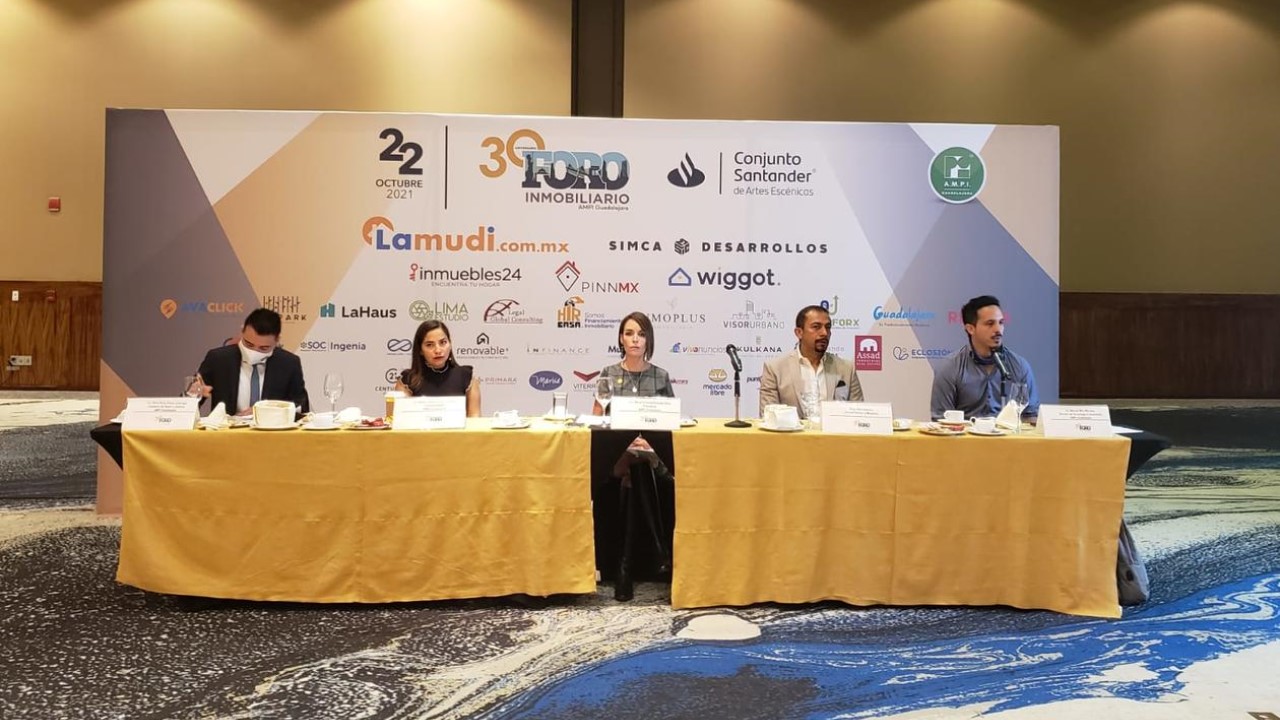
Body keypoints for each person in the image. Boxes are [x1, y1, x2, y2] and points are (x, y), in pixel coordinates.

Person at [591, 311, 675, 601]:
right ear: (620, 339)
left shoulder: (660, 376)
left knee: (640, 464)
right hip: (618, 454)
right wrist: (627, 441)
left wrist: (646, 443)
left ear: (648, 339)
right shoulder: (608, 374)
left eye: (641, 334)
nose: (635, 339)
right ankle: (658, 555)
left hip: (650, 453)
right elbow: (598, 422)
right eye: (629, 333)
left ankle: (624, 568)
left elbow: (668, 425)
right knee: (631, 461)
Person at [930, 294, 1040, 421]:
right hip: (965, 433)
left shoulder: (1019, 366)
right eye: (990, 324)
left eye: (1001, 323)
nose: (998, 329)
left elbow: (1030, 416)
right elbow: (941, 420)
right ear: (970, 329)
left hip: (1008, 433)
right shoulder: (950, 367)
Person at [194, 308, 310, 416]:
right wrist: (192, 395)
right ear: (242, 331)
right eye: (248, 344)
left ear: (277, 341)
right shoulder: (218, 359)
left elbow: (301, 405)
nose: (254, 351)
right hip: (227, 429)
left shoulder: (288, 363)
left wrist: (269, 410)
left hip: (271, 429)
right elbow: (191, 401)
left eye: (263, 348)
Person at [759, 304, 863, 419]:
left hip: (835, 431)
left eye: (828, 327)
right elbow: (769, 418)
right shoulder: (775, 369)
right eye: (816, 327)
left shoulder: (847, 369)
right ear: (799, 332)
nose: (824, 333)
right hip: (790, 431)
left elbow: (858, 416)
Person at [394, 319, 481, 417]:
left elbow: (475, 420)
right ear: (420, 350)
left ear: (450, 344)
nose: (438, 350)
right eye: (429, 345)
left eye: (443, 342)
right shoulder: (406, 381)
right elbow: (402, 421)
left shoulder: (467, 377)